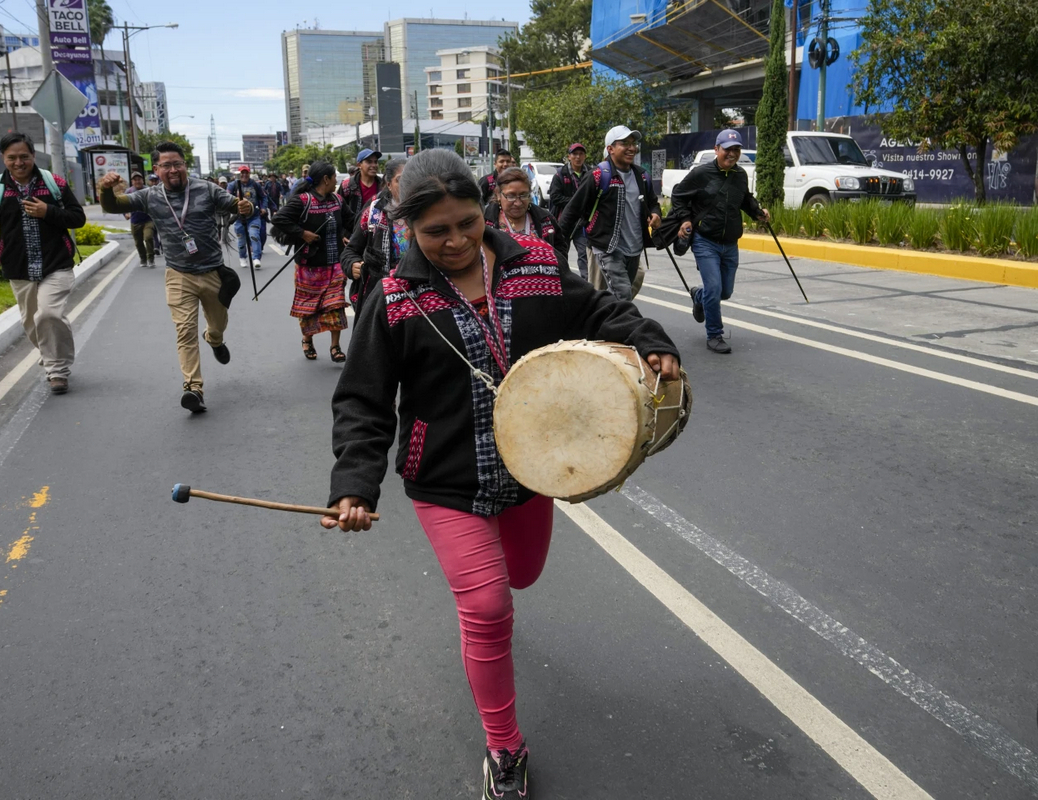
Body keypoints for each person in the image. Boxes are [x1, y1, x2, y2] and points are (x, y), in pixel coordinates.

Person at [322, 149, 680, 800]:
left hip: (529, 470)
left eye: (465, 222)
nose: (455, 240)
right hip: (443, 479)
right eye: (436, 232)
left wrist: (651, 340)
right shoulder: (396, 299)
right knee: (488, 607)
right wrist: (354, 484)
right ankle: (504, 747)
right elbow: (363, 401)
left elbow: (600, 312)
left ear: (481, 209)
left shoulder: (536, 265)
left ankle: (495, 605)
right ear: (408, 230)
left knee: (524, 575)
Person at [97, 141, 254, 413]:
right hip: (178, 275)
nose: (173, 169)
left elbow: (235, 205)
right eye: (166, 165)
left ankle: (214, 339)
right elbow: (114, 206)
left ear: (185, 165)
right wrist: (105, 189)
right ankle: (193, 388)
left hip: (213, 271)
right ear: (156, 169)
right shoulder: (149, 196)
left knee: (217, 325)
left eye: (177, 164)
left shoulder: (205, 188)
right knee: (184, 331)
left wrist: (245, 207)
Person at [0, 132, 86, 395]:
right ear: (3, 158)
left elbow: (77, 218)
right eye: (12, 158)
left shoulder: (54, 184)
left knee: (49, 314)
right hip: (19, 268)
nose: (19, 162)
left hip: (57, 264)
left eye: (24, 157)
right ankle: (52, 354)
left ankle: (57, 370)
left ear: (33, 156)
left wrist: (48, 211)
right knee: (31, 322)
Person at [670, 129, 769, 354]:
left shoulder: (740, 175)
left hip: (730, 243)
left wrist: (758, 213)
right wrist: (685, 219)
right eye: (727, 149)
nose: (732, 154)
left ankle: (698, 295)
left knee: (724, 292)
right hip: (705, 240)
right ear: (717, 150)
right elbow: (679, 196)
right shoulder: (700, 174)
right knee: (714, 289)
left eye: (736, 149)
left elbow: (745, 199)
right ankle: (714, 334)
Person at [558, 126, 662, 302]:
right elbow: (572, 211)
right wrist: (558, 248)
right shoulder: (598, 176)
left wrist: (655, 214)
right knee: (622, 295)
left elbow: (653, 203)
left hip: (634, 249)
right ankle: (620, 328)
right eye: (624, 144)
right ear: (610, 149)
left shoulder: (642, 176)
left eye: (633, 143)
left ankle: (598, 325)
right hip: (607, 248)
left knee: (618, 297)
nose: (631, 148)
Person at [270, 161, 348, 363]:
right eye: (333, 178)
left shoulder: (338, 201)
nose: (335, 182)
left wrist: (347, 236)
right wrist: (302, 233)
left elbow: (351, 221)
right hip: (309, 266)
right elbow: (279, 220)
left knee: (336, 304)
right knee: (309, 307)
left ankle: (335, 346)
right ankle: (307, 339)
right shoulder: (302, 201)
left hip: (335, 264)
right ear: (326, 179)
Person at [340, 159, 407, 324]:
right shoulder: (374, 213)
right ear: (389, 184)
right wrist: (353, 264)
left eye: (411, 179)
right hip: (381, 297)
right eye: (400, 180)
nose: (407, 185)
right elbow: (350, 251)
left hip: (420, 297)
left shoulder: (427, 213)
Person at [483, 166, 568, 253]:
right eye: (511, 196)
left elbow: (561, 252)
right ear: (498, 195)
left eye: (523, 195)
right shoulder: (484, 222)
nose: (518, 203)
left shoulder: (546, 220)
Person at [547, 143, 590, 279]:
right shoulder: (560, 175)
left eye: (581, 154)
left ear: (585, 156)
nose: (578, 157)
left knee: (584, 254)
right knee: (560, 253)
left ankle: (586, 284)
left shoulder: (590, 174)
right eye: (574, 154)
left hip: (582, 223)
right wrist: (575, 202)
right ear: (569, 157)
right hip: (563, 222)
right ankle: (562, 281)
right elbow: (555, 197)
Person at [336, 148, 382, 238]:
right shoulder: (347, 185)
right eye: (369, 162)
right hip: (353, 234)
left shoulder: (383, 186)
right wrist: (342, 234)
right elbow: (337, 210)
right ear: (359, 165)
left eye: (375, 162)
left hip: (376, 234)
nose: (374, 165)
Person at [227, 167, 267, 269]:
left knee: (254, 235)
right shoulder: (233, 185)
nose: (244, 175)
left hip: (254, 216)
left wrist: (263, 208)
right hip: (240, 218)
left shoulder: (255, 184)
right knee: (241, 239)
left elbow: (264, 196)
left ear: (249, 174)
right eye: (242, 173)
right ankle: (242, 257)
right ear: (239, 174)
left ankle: (256, 258)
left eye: (246, 173)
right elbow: (226, 198)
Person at [125, 172, 157, 268]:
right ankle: (143, 259)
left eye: (139, 179)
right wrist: (125, 213)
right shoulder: (129, 192)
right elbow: (123, 205)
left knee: (148, 237)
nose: (137, 181)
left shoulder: (149, 190)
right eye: (135, 180)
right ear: (132, 182)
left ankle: (151, 258)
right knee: (138, 242)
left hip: (148, 220)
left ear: (143, 180)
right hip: (135, 221)